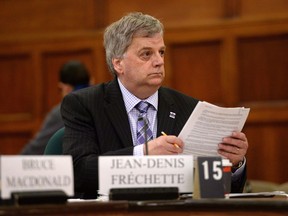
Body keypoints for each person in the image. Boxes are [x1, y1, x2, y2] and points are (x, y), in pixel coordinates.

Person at [61, 12, 248, 198]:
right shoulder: (84, 104)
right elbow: (79, 171)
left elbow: (215, 190)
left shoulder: (189, 108)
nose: (159, 61)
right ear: (118, 64)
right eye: (146, 54)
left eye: (161, 52)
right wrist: (143, 153)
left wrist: (233, 165)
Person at [20, 60, 91, 155]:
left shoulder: (63, 111)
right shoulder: (103, 104)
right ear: (91, 81)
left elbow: (37, 147)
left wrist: (14, 165)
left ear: (65, 88)